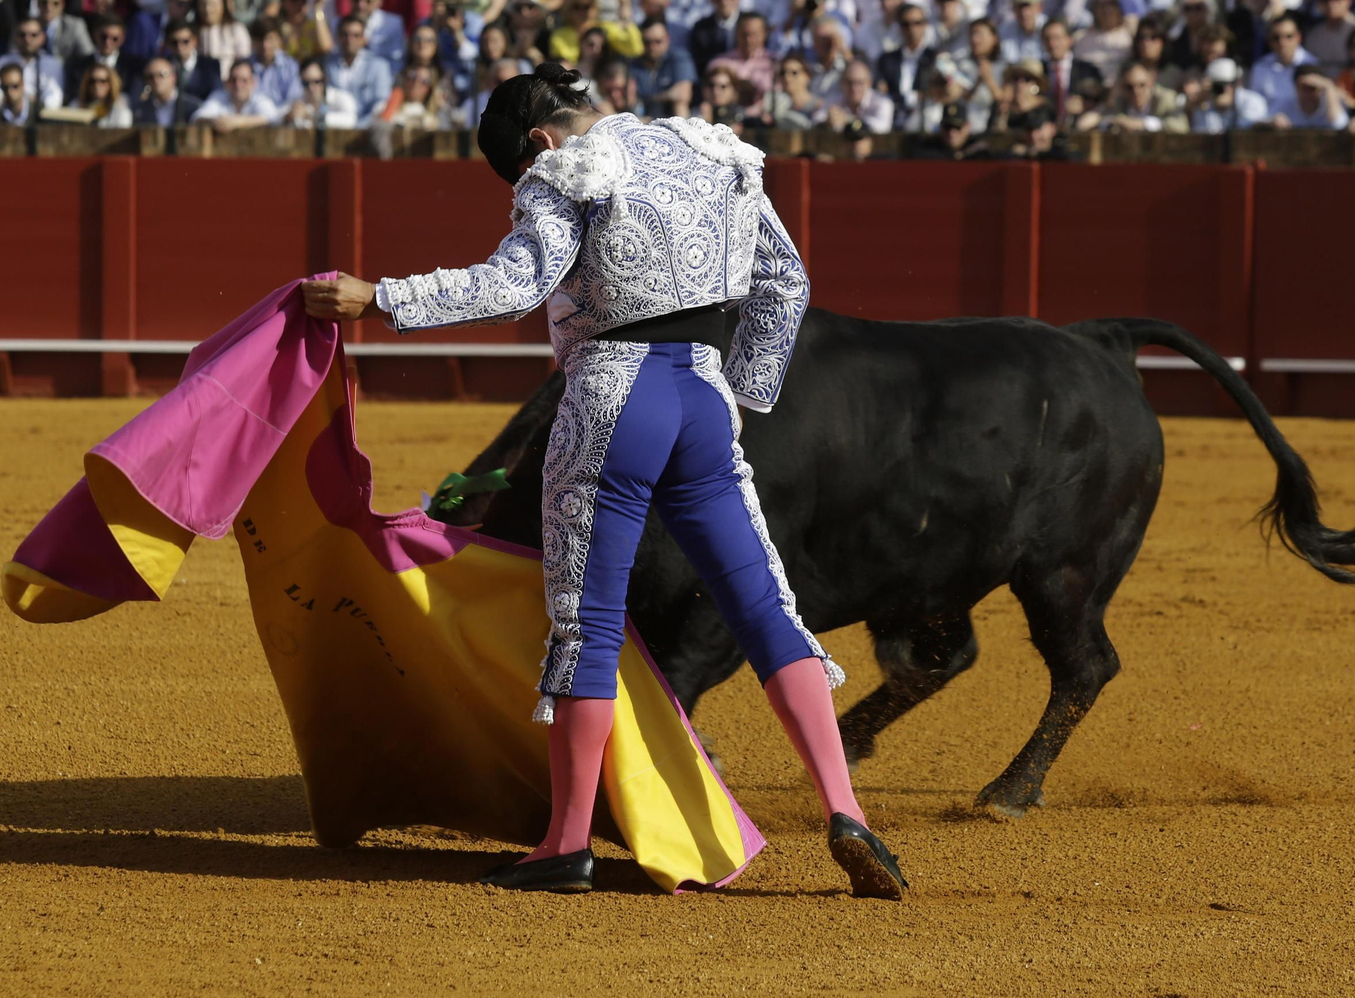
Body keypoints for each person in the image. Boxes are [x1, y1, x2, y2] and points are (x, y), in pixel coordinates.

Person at [301, 63, 908, 901]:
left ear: (540, 142)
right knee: (767, 606)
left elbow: (515, 283)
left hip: (612, 396)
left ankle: (566, 840)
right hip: (703, 394)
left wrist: (380, 297)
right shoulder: (707, 148)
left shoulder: (564, 167)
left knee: (587, 620)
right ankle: (848, 812)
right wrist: (743, 393)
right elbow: (786, 283)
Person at [0, 16, 66, 109]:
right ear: (16, 37)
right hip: (9, 116)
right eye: (22, 35)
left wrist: (30, 105)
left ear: (42, 38)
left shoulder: (52, 64)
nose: (27, 40)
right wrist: (15, 102)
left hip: (41, 118)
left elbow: (55, 98)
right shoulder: (3, 62)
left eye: (33, 35)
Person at [631, 14, 696, 116]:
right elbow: (631, 100)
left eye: (658, 41)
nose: (652, 47)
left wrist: (651, 98)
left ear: (667, 38)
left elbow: (683, 94)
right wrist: (667, 95)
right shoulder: (634, 65)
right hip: (644, 119)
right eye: (647, 42)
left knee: (680, 104)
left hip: (673, 118)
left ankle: (682, 132)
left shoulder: (679, 58)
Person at [1186, 55, 1268, 129]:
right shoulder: (1205, 106)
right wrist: (1197, 101)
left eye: (1224, 84)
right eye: (1216, 86)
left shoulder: (1252, 101)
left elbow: (1247, 132)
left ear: (1235, 84)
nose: (1220, 90)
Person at [194, 56, 279, 128]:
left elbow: (273, 119)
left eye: (244, 80)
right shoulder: (218, 97)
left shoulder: (260, 99)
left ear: (253, 83)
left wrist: (238, 122)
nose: (238, 85)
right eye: (233, 80)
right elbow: (197, 118)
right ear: (227, 82)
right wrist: (214, 122)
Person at [282, 56, 359, 127]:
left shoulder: (342, 98)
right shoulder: (298, 101)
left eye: (316, 81)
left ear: (325, 79)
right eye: (306, 83)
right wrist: (288, 116)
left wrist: (312, 117)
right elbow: (276, 116)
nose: (311, 88)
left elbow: (351, 120)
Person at [1269, 63, 1348, 127]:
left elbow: (1339, 125)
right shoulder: (1286, 104)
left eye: (1312, 89)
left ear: (1321, 90)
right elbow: (1261, 120)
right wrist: (1273, 122)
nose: (1308, 94)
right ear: (1296, 88)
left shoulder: (1329, 103)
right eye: (1304, 88)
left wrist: (1329, 87)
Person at [130, 56, 202, 123]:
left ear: (173, 77)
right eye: (150, 77)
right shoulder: (139, 112)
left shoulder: (194, 108)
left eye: (162, 74)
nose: (156, 80)